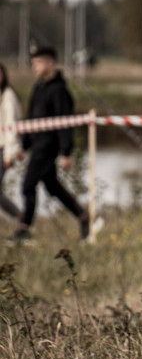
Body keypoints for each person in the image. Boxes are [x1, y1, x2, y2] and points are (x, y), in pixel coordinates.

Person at [8, 46, 97, 244]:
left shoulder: (59, 90)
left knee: (27, 185)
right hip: (37, 144)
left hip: (49, 146)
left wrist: (66, 152)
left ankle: (25, 230)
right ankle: (84, 217)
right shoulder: (38, 87)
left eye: (38, 63)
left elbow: (66, 124)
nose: (35, 68)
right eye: (33, 64)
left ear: (51, 63)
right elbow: (33, 120)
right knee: (53, 187)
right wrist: (24, 145)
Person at [0, 62, 23, 221]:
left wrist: (9, 154)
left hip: (3, 149)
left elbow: (11, 127)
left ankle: (22, 218)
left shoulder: (8, 96)